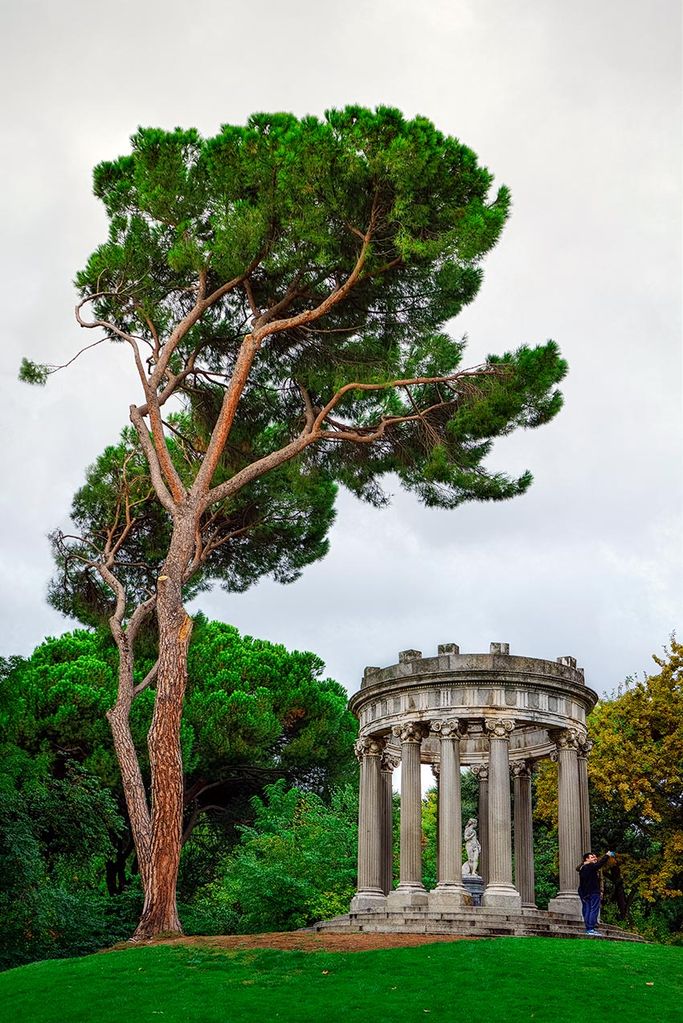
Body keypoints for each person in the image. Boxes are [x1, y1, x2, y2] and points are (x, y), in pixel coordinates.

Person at [577, 851, 615, 935]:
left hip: (584, 892)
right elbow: (600, 864)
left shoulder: (582, 868)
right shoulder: (590, 867)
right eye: (592, 857)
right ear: (587, 859)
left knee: (587, 909)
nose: (594, 858)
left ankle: (588, 928)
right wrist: (607, 855)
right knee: (593, 909)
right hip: (593, 891)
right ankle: (591, 928)